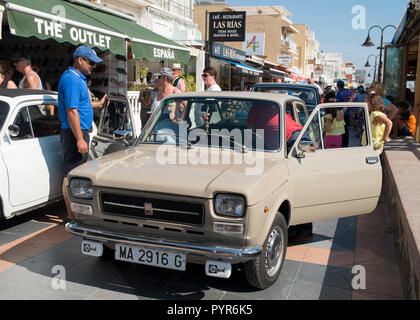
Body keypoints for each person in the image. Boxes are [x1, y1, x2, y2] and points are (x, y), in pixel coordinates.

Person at [58, 45, 103, 222]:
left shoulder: (77, 78)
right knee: (71, 173)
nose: (94, 66)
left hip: (77, 131)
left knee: (74, 170)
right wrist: (79, 139)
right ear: (80, 60)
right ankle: (71, 215)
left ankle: (73, 212)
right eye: (91, 63)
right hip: (74, 132)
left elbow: (78, 105)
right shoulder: (72, 80)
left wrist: (96, 105)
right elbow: (71, 110)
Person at [336, 80, 357, 148]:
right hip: (347, 112)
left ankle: (342, 144)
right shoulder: (348, 92)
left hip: (341, 113)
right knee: (346, 129)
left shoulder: (339, 93)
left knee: (341, 129)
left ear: (337, 86)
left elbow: (338, 104)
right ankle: (346, 144)